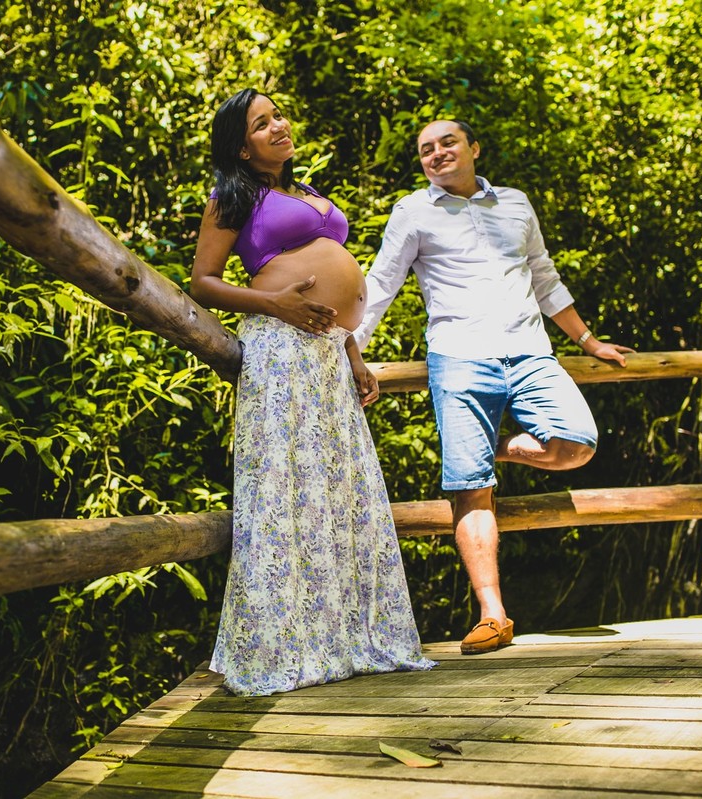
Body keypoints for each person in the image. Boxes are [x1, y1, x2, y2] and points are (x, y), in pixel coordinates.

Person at [353, 119, 634, 655]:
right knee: (470, 487)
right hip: (459, 357)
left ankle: (491, 450)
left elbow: (544, 277)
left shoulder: (515, 204)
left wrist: (589, 341)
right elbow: (382, 283)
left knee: (576, 443)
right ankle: (493, 615)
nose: (437, 153)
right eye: (426, 149)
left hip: (530, 352)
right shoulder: (412, 212)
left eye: (448, 142)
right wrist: (351, 350)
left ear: (474, 148)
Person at [190, 88, 434, 695]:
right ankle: (281, 645)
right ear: (240, 147)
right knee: (283, 491)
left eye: (278, 115)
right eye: (261, 123)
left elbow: (335, 287)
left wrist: (353, 352)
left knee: (340, 492)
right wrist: (274, 303)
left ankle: (344, 639)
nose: (278, 125)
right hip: (279, 351)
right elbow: (203, 282)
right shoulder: (233, 196)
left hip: (328, 356)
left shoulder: (304, 191)